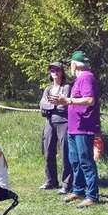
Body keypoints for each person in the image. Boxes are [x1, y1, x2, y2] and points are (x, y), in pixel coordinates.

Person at [50, 51, 101, 208]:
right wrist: (63, 102)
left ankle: (92, 196)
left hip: (84, 127)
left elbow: (90, 100)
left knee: (86, 162)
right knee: (75, 161)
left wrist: (68, 100)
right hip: (74, 127)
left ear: (74, 64)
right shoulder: (78, 79)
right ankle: (78, 190)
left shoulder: (86, 77)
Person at [38, 61, 72, 192]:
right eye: (52, 70)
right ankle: (51, 181)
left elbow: (64, 106)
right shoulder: (48, 88)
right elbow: (41, 105)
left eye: (57, 70)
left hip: (64, 122)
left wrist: (52, 105)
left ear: (62, 72)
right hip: (49, 122)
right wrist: (54, 105)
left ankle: (67, 184)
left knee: (65, 153)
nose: (55, 72)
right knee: (48, 152)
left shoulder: (67, 87)